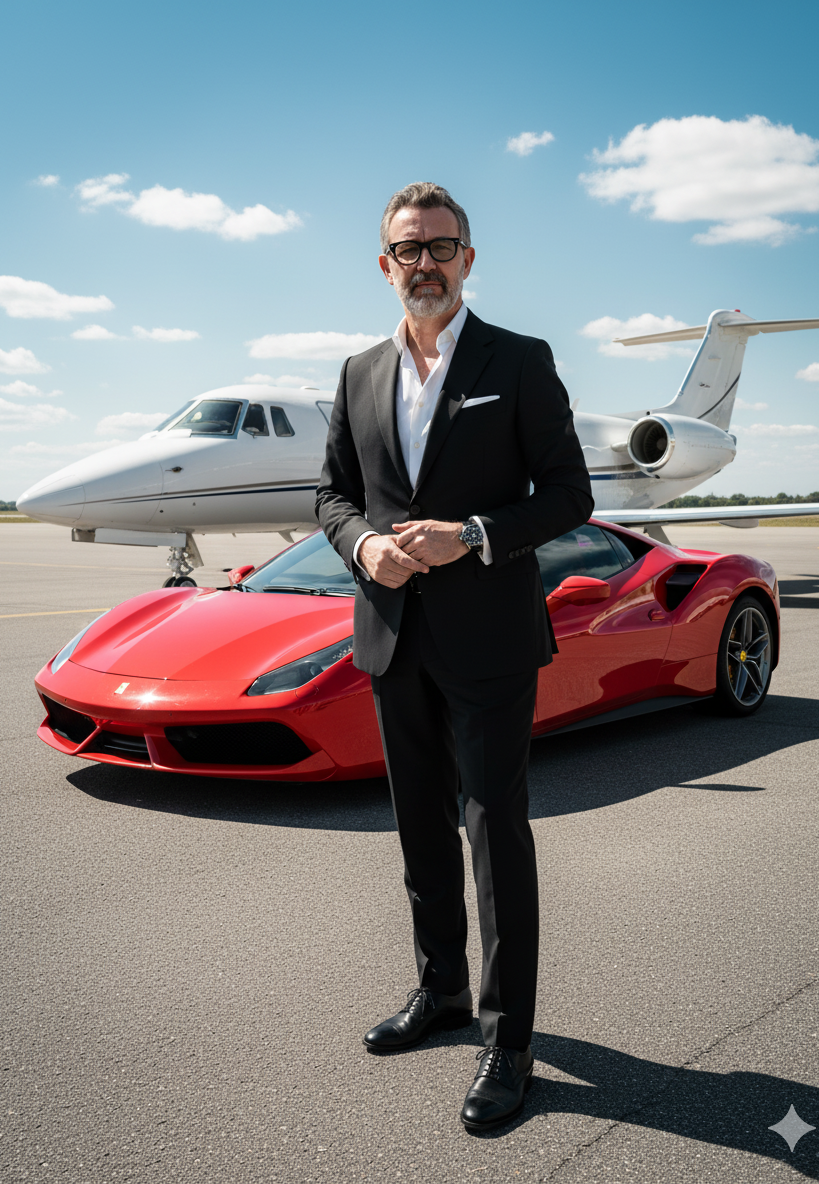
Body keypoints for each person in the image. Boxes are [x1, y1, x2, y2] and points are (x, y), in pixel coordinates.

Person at [315, 182, 593, 1131]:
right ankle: (439, 991)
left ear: (468, 259)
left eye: (441, 246)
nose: (423, 263)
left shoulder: (519, 361)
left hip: (489, 639)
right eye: (407, 249)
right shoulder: (358, 372)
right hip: (393, 635)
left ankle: (509, 1040)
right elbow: (332, 495)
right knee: (419, 830)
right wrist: (365, 546)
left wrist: (473, 533)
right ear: (384, 265)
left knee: (493, 829)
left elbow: (568, 496)